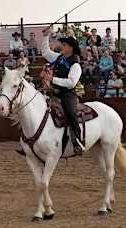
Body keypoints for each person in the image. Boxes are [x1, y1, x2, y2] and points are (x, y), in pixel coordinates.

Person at [42, 27, 85, 155]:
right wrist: (45, 36)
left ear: (70, 48)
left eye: (64, 44)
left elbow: (71, 83)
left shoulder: (75, 65)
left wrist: (52, 79)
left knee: (70, 112)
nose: (61, 46)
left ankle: (78, 141)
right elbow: (45, 52)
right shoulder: (59, 58)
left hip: (67, 94)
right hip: (53, 92)